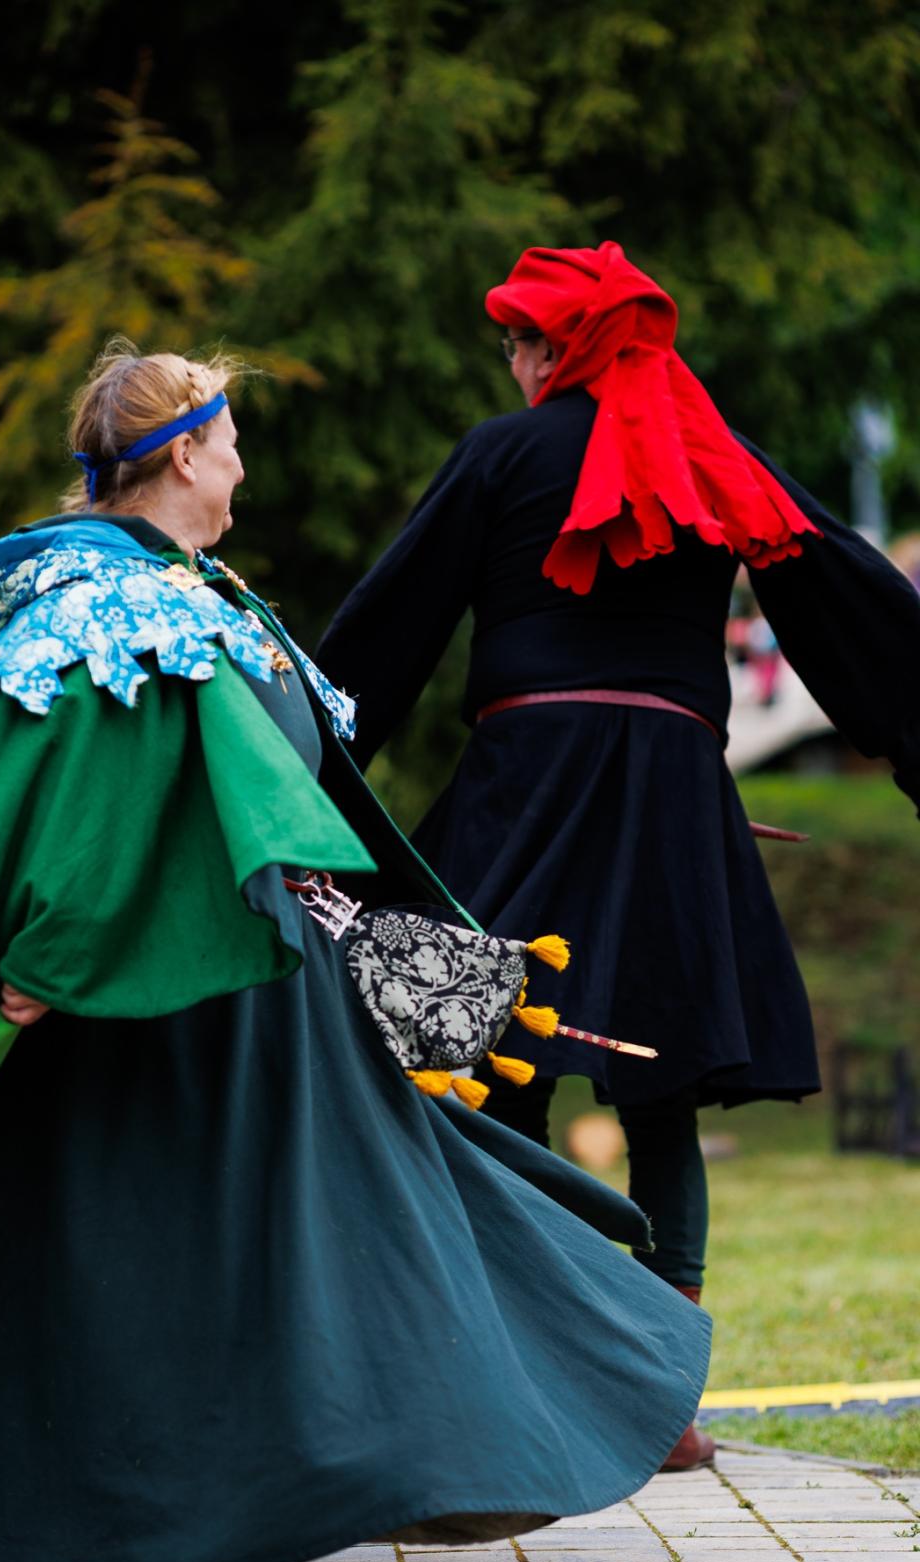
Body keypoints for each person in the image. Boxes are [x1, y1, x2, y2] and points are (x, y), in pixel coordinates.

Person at [0, 341, 710, 1562]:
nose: (243, 468)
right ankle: (154, 1540)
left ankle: (276, 1508)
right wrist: (48, 961)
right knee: (172, 1272)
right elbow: (67, 792)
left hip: (256, 1002)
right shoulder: (110, 606)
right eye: (231, 444)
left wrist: (380, 941)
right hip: (159, 1013)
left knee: (312, 1258)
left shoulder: (196, 594)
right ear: (184, 453)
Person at [317, 243, 920, 1473]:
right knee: (662, 1090)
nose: (514, 368)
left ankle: (543, 1376)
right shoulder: (711, 451)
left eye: (518, 346)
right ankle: (664, 1404)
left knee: (502, 1065)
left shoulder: (501, 453)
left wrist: (303, 785)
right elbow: (838, 591)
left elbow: (393, 623)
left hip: (531, 783)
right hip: (669, 792)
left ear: (556, 348)